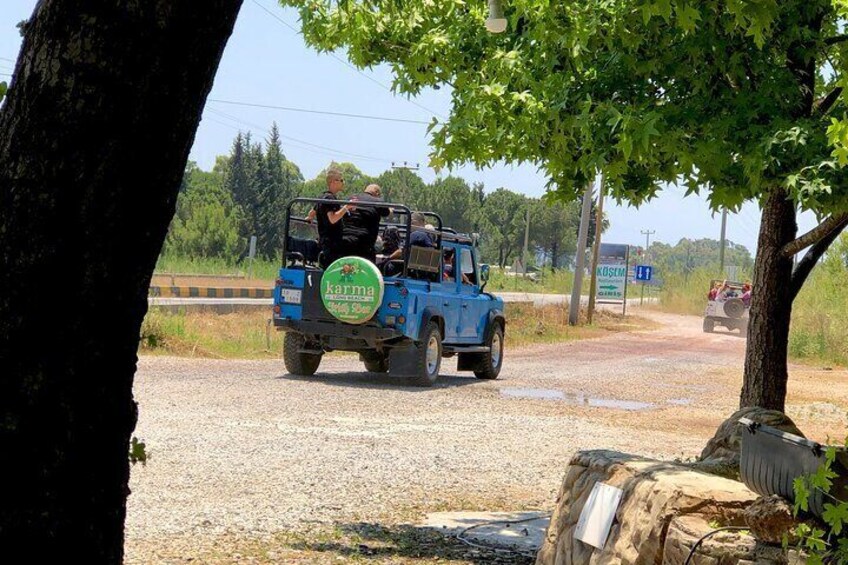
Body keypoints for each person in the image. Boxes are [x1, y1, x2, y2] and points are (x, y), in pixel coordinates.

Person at [313, 168, 354, 268]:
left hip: (327, 241)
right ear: (333, 182)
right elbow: (332, 219)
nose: (343, 182)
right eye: (341, 180)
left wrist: (309, 218)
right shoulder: (330, 198)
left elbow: (312, 212)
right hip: (332, 243)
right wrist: (346, 207)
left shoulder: (322, 196)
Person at [340, 184, 390, 262]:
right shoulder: (377, 201)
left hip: (344, 239)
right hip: (364, 243)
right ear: (377, 193)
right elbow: (387, 213)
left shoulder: (351, 198)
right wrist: (391, 210)